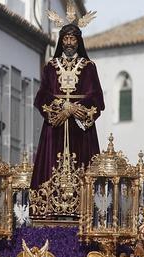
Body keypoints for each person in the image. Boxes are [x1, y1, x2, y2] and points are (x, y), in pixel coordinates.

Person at [31, 13, 104, 189]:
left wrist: (73, 109)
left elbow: (96, 97)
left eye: (72, 39)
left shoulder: (88, 67)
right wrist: (63, 106)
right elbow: (42, 95)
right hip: (55, 128)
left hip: (81, 131)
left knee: (82, 167)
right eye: (66, 39)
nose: (69, 43)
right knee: (51, 168)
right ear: (61, 41)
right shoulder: (51, 67)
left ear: (78, 41)